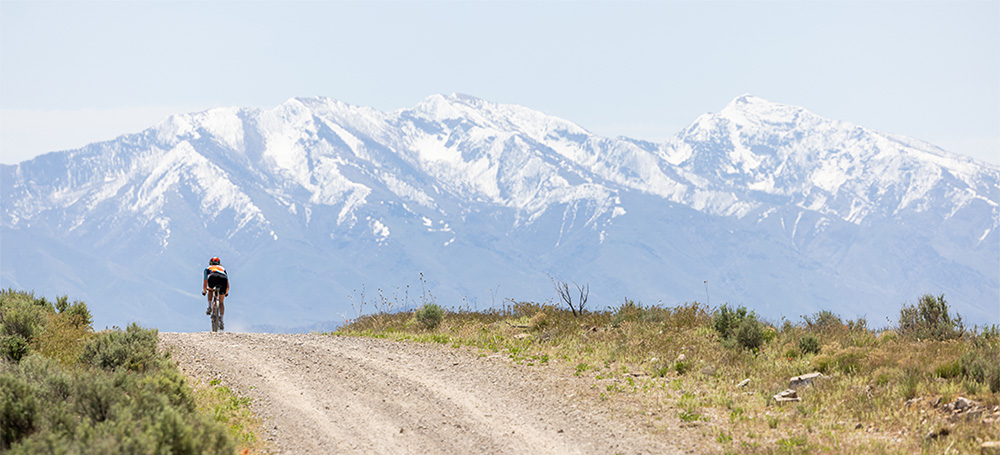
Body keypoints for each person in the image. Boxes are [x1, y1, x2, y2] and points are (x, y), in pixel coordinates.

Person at [202, 257, 230, 330]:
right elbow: (228, 284)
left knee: (210, 290)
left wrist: (205, 291)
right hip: (223, 279)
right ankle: (222, 320)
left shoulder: (207, 268)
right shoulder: (223, 269)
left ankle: (209, 307)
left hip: (213, 277)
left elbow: (205, 283)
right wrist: (226, 293)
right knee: (221, 302)